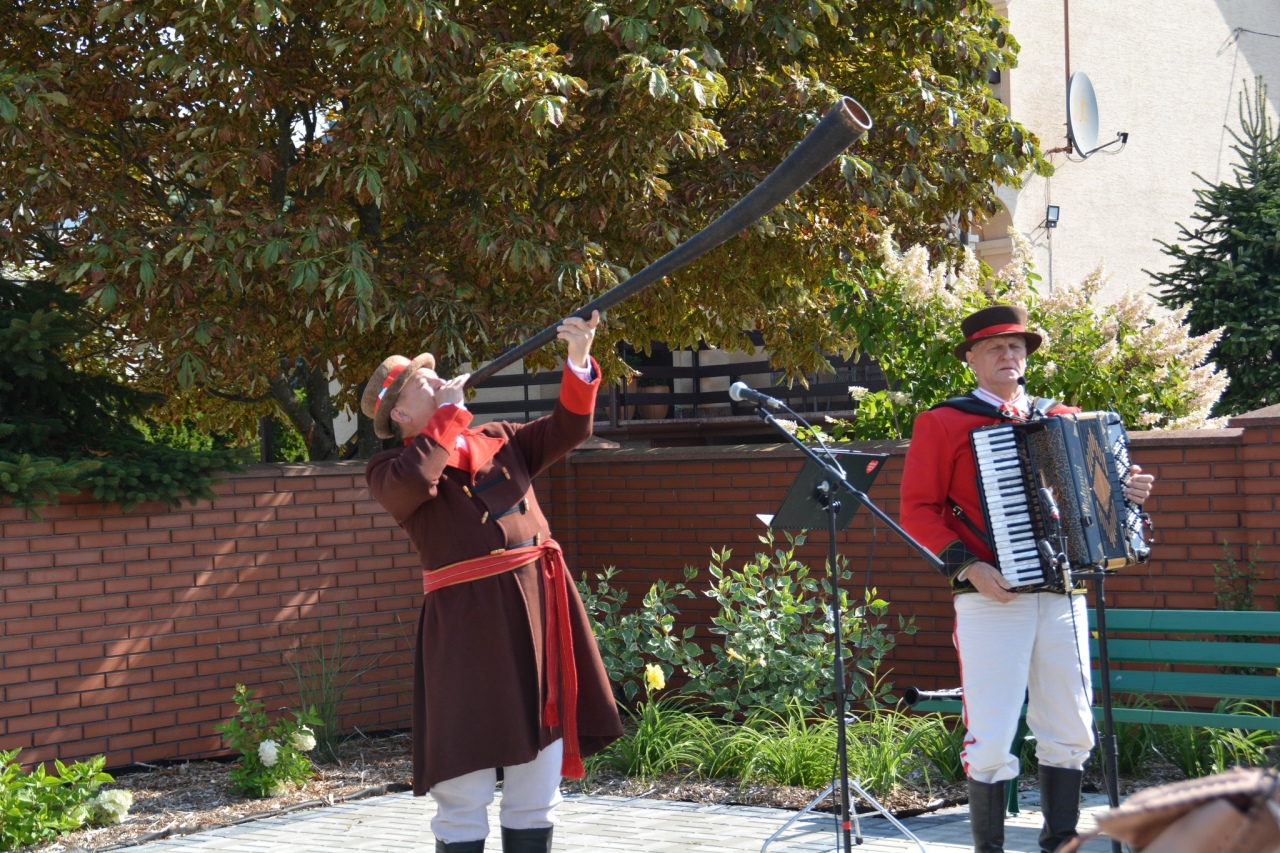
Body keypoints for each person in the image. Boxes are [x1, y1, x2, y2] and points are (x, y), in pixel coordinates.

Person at [361, 311, 622, 853]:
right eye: (424, 384)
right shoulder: (390, 468)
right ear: (404, 412)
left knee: (537, 779)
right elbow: (418, 478)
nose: (441, 381)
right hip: (465, 631)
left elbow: (569, 428)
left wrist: (578, 358)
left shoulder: (500, 438)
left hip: (538, 610)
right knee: (464, 785)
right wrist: (450, 415)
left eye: (435, 376)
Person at [900, 304, 1156, 853]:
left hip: (1064, 592)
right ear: (971, 358)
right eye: (995, 347)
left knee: (1071, 730)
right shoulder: (943, 422)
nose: (1008, 356)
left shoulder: (1064, 415)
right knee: (991, 735)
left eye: (1016, 347)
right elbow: (918, 509)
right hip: (992, 597)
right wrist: (967, 565)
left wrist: (1129, 494)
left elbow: (1104, 495)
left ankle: (1058, 842)